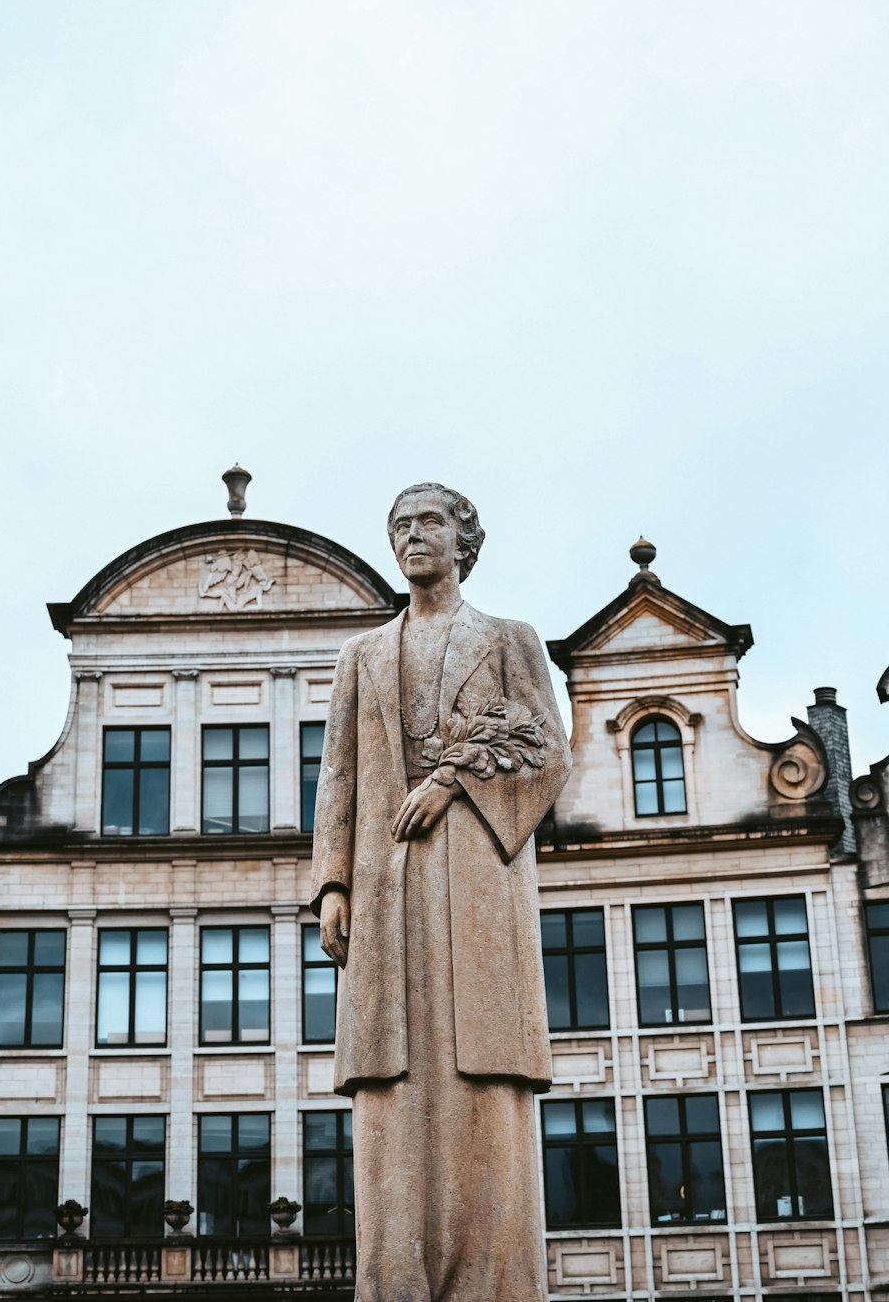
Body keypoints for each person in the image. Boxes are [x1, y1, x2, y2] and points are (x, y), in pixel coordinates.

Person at [310, 483, 572, 1302]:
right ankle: (397, 1279)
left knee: (483, 1070)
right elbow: (339, 775)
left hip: (477, 880)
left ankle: (493, 1279)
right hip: (386, 888)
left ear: (464, 540)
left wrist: (454, 782)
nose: (411, 536)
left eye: (428, 523)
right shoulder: (360, 655)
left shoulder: (508, 639)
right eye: (399, 525)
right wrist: (331, 883)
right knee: (392, 1078)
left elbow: (548, 753)